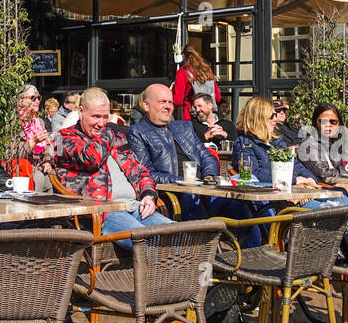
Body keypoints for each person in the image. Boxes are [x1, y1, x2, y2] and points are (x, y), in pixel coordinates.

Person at [51, 88, 169, 244]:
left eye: (105, 117)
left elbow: (139, 171)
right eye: (96, 117)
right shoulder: (63, 137)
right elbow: (92, 158)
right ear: (80, 112)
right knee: (145, 243)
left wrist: (148, 194)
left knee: (179, 234)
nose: (101, 123)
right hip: (102, 213)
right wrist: (109, 129)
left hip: (136, 207)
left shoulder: (116, 137)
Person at [128, 84, 218, 220]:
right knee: (193, 201)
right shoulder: (138, 132)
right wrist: (184, 182)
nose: (168, 106)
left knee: (239, 205)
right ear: (146, 105)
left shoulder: (184, 127)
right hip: (175, 194)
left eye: (170, 102)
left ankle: (253, 242)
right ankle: (205, 240)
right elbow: (146, 173)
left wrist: (209, 177)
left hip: (203, 188)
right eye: (162, 102)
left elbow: (207, 156)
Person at [232, 96, 317, 186]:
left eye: (275, 115)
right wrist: (294, 180)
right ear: (259, 118)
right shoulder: (245, 144)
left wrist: (311, 180)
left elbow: (294, 165)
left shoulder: (276, 141)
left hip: (293, 190)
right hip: (269, 196)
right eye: (272, 116)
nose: (275, 119)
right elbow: (254, 175)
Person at [297, 102, 348, 183]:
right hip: (324, 192)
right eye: (323, 121)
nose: (328, 125)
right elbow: (323, 175)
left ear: (338, 124)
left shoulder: (342, 143)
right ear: (316, 122)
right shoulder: (309, 145)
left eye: (333, 122)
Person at [174, 46, 221, 121]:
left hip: (191, 116)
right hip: (208, 116)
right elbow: (217, 97)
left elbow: (178, 101)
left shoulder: (182, 73)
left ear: (184, 57)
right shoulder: (207, 70)